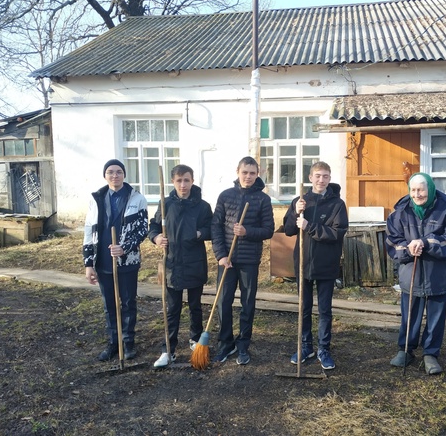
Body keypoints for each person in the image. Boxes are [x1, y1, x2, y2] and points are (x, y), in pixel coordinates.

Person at [386, 172, 446, 375]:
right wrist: (408, 248)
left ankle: (430, 353)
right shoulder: (400, 212)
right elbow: (392, 241)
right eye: (413, 190)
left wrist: (427, 243)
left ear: (429, 189)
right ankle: (406, 350)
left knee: (436, 317)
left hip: (439, 275)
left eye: (421, 190)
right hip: (410, 274)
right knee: (409, 315)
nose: (416, 194)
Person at [283, 161, 348, 370]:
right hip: (303, 264)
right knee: (304, 308)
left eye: (325, 176)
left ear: (330, 178)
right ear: (310, 178)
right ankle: (305, 347)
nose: (321, 180)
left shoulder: (337, 205)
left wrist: (310, 226)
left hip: (326, 265)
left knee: (325, 310)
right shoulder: (300, 201)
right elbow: (288, 230)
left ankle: (324, 349)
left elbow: (337, 233)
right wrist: (295, 212)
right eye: (318, 176)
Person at [148, 165, 213, 368]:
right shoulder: (166, 204)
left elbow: (211, 228)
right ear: (173, 182)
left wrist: (199, 234)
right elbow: (154, 226)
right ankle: (168, 348)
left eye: (186, 180)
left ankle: (195, 340)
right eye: (179, 181)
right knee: (173, 308)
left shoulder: (202, 206)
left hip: (195, 262)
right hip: (172, 264)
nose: (183, 185)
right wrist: (156, 237)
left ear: (192, 181)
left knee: (195, 306)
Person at [83, 159, 148, 361]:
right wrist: (88, 264)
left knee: (128, 302)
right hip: (103, 259)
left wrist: (124, 248)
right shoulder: (97, 199)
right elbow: (88, 231)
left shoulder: (136, 198)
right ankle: (114, 342)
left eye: (119, 172)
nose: (115, 175)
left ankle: (128, 343)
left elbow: (142, 230)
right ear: (105, 175)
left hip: (127, 262)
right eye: (110, 172)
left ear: (124, 175)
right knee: (109, 304)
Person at [211, 156, 274, 365]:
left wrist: (247, 231)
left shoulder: (262, 199)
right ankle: (225, 343)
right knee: (223, 301)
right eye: (245, 172)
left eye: (252, 173)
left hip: (249, 260)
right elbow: (216, 227)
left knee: (247, 302)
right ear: (238, 172)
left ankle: (243, 344)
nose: (248, 177)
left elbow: (268, 230)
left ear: (258, 175)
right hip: (227, 260)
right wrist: (220, 255)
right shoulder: (225, 196)